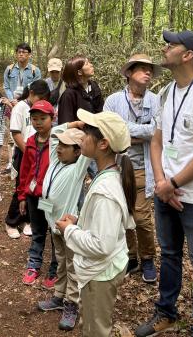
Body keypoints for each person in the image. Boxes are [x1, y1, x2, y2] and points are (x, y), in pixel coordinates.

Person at [135, 30, 193, 337]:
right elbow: (157, 142)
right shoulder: (166, 93)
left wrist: (171, 182)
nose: (165, 48)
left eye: (171, 45)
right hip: (167, 192)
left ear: (188, 55)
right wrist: (162, 182)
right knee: (171, 255)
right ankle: (166, 313)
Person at [56, 109, 136, 337]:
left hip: (100, 274)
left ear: (103, 144)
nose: (81, 136)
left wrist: (69, 230)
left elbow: (101, 245)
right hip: (102, 270)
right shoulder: (108, 175)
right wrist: (81, 221)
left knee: (95, 330)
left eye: (88, 132)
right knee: (91, 322)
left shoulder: (104, 190)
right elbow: (105, 224)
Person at [104, 54, 161, 283]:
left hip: (143, 167)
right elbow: (109, 129)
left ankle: (148, 258)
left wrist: (127, 133)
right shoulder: (113, 101)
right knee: (122, 214)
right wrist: (142, 133)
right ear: (129, 73)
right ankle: (131, 256)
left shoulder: (157, 101)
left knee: (141, 217)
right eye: (142, 69)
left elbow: (158, 131)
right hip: (117, 166)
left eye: (150, 70)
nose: (147, 73)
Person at [37, 122, 90, 331]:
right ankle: (59, 296)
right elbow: (54, 134)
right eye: (59, 145)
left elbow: (86, 149)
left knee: (72, 265)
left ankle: (72, 304)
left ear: (78, 151)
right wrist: (73, 125)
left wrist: (87, 131)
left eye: (65, 146)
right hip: (54, 224)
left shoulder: (78, 168)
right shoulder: (55, 159)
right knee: (60, 261)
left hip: (68, 227)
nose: (59, 148)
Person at [18, 100, 58, 287]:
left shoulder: (58, 142)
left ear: (52, 118)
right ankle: (33, 265)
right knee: (38, 232)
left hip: (52, 197)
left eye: (43, 118)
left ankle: (55, 269)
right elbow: (25, 170)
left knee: (56, 234)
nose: (38, 122)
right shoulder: (31, 142)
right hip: (34, 196)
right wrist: (22, 196)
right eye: (34, 119)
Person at [5, 80, 51, 239]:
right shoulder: (20, 108)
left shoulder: (40, 109)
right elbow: (16, 133)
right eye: (41, 98)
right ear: (31, 93)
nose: (43, 101)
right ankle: (11, 222)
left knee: (35, 187)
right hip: (24, 153)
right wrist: (30, 152)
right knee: (22, 186)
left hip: (38, 153)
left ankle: (28, 220)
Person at [56, 55, 103, 124]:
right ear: (79, 72)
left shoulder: (94, 86)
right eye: (87, 64)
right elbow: (65, 123)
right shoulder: (69, 95)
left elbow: (100, 111)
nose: (91, 65)